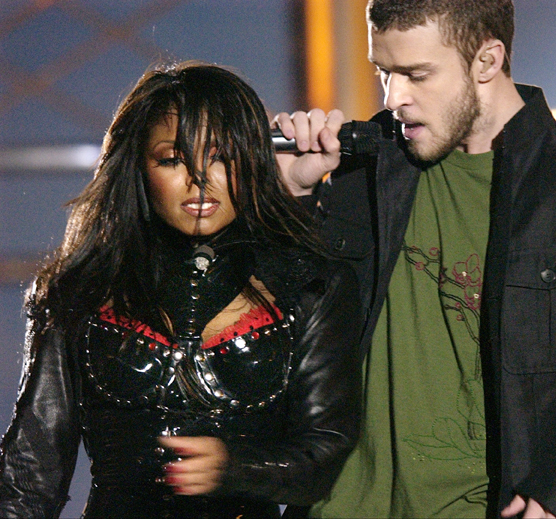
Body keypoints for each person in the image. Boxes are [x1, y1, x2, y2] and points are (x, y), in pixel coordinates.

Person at [272, 0, 556, 517]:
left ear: (487, 60)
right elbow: (277, 334)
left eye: (417, 75)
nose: (395, 98)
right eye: (384, 73)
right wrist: (290, 197)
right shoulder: (360, 171)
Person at [0, 61, 362, 519]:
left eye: (222, 156)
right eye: (172, 159)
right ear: (137, 165)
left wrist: (235, 468)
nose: (200, 178)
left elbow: (326, 453)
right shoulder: (76, 292)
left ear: (250, 159)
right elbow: (30, 474)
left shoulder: (312, 285)